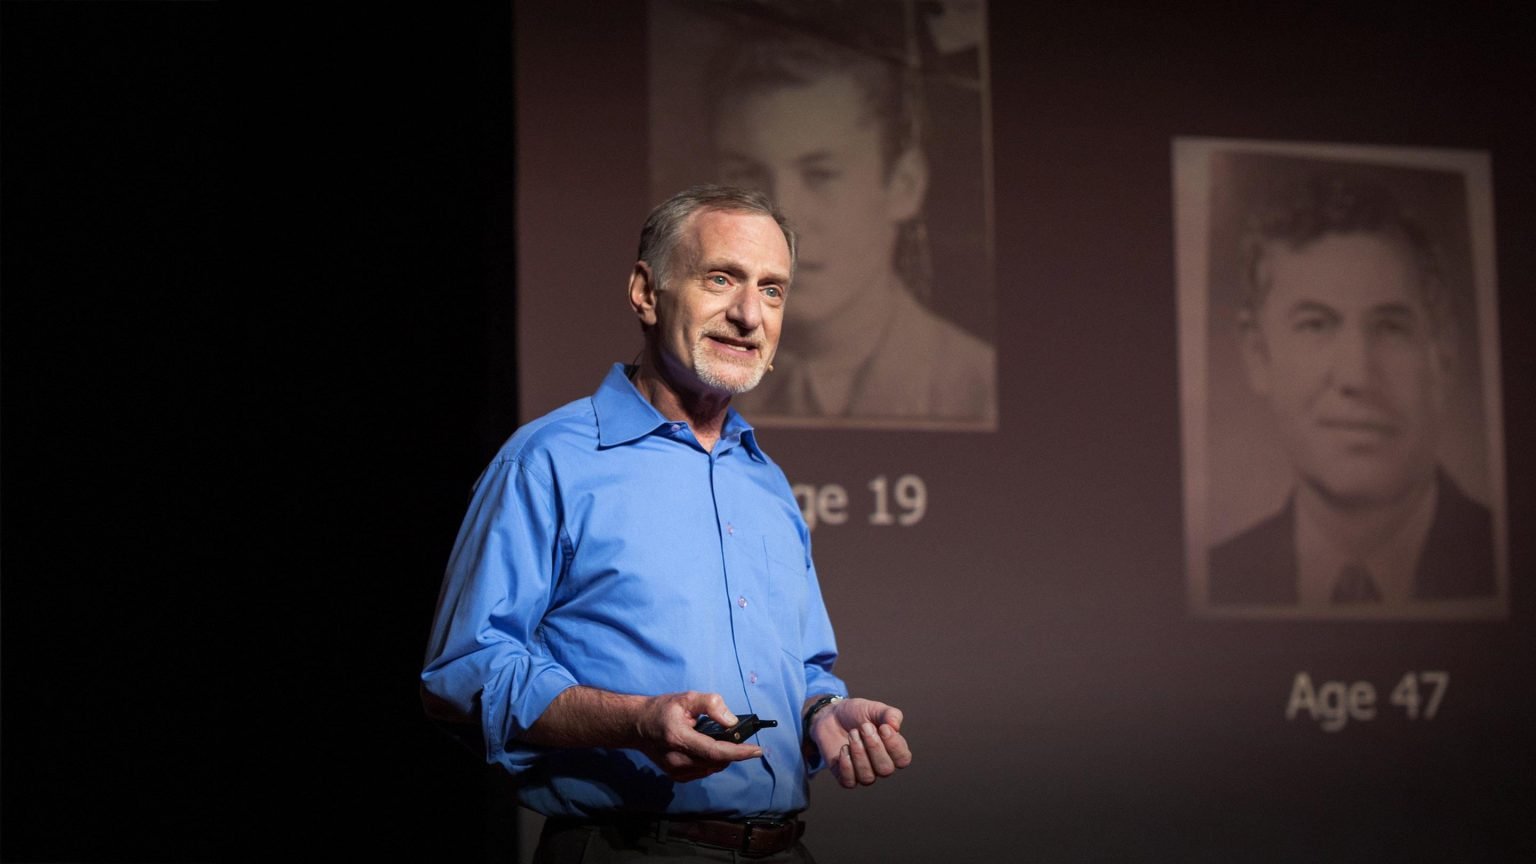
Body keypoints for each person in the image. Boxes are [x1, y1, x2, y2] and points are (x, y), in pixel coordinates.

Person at [421, 185, 912, 862]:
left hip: (783, 848)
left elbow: (802, 667)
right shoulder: (547, 462)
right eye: (721, 279)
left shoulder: (765, 481)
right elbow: (465, 675)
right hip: (630, 847)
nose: (748, 314)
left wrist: (823, 713)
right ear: (646, 293)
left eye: (772, 290)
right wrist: (636, 721)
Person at [1208, 172, 1496, 608]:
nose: (1357, 377)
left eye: (1391, 328)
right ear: (1257, 354)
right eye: (1315, 325)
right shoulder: (1216, 580)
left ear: (1443, 352)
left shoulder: (1509, 561)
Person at [705, 31, 996, 425]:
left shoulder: (978, 391)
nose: (782, 223)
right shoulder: (682, 390)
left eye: (821, 175)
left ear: (904, 186)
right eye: (747, 176)